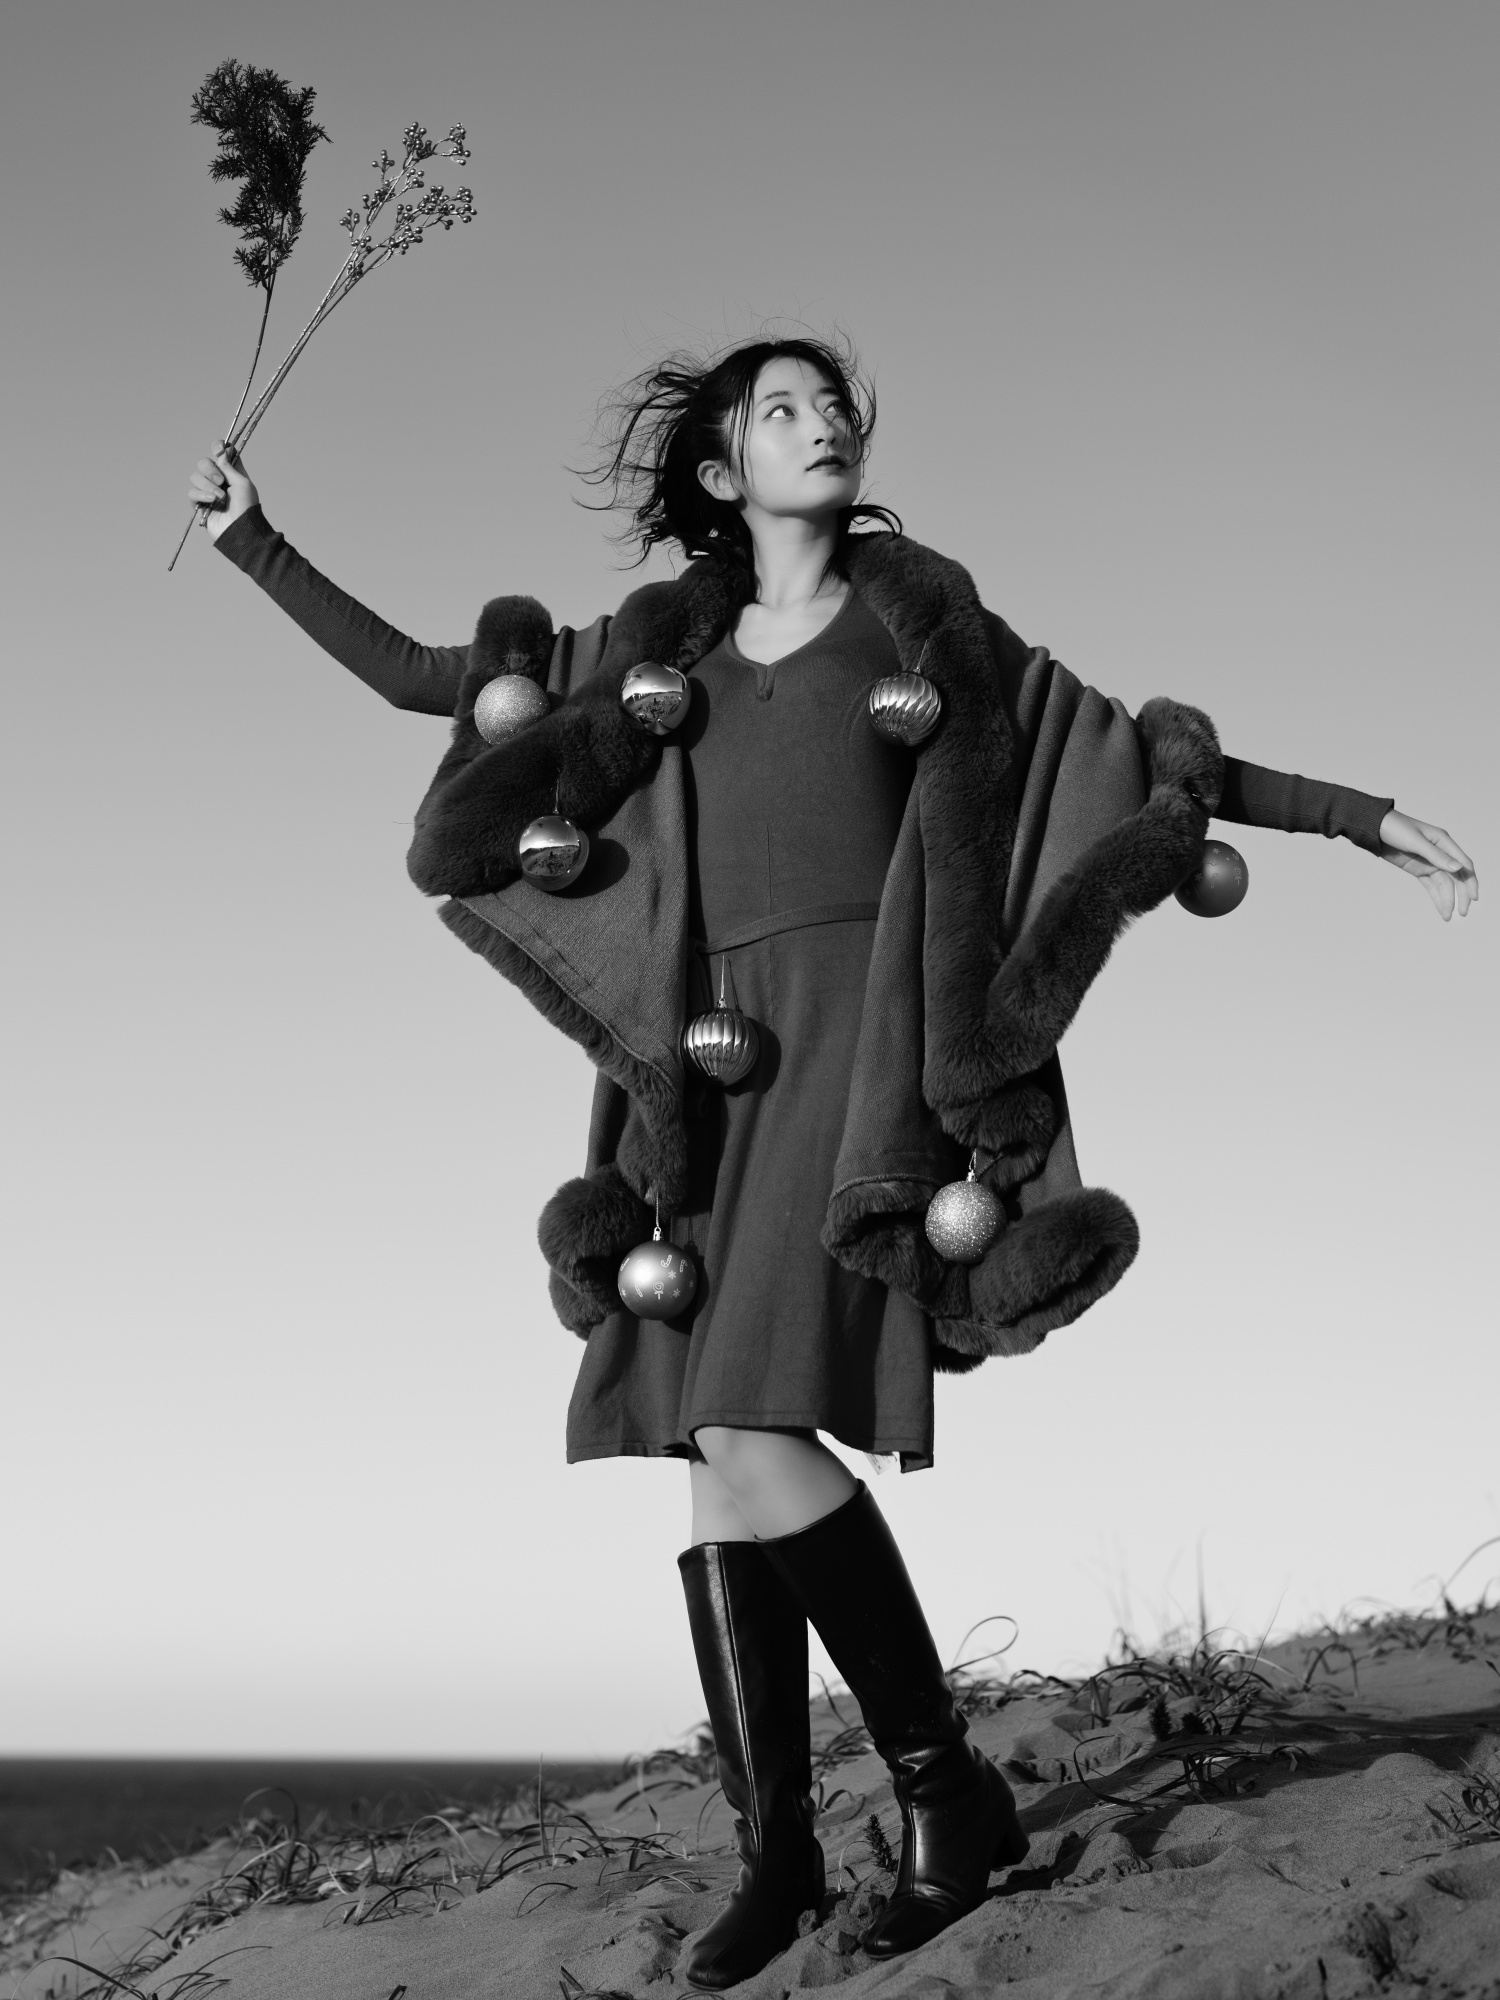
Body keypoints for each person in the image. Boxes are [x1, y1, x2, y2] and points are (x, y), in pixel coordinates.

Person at [187, 336, 1475, 1988]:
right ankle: (778, 1853)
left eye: (835, 404)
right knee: (708, 1445)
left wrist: (1355, 814)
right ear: (724, 469)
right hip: (705, 1060)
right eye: (783, 409)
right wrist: (254, 541)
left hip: (859, 1049)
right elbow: (436, 681)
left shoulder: (923, 634)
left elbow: (1121, 754)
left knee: (746, 1414)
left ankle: (946, 1793)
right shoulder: (658, 650)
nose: (825, 424)